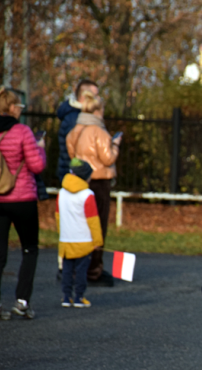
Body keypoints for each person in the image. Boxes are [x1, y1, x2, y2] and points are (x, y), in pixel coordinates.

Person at [0, 87, 47, 320]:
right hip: (22, 197)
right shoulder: (22, 131)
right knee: (30, 249)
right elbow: (37, 166)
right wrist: (41, 149)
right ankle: (22, 301)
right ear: (10, 107)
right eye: (18, 106)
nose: (20, 110)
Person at [66, 90, 120, 287]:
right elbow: (107, 158)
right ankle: (94, 269)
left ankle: (76, 267)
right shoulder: (99, 132)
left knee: (80, 225)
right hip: (99, 181)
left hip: (80, 180)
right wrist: (115, 145)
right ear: (98, 110)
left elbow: (71, 152)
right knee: (98, 226)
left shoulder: (75, 130)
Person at [56, 158, 103, 309]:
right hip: (83, 239)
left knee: (67, 270)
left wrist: (61, 232)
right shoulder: (87, 194)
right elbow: (93, 220)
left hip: (66, 239)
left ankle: (66, 296)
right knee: (81, 270)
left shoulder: (61, 192)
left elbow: (58, 216)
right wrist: (97, 241)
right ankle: (79, 297)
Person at [56, 79, 98, 184]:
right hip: (75, 176)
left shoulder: (76, 116)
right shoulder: (75, 119)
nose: (97, 99)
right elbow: (75, 151)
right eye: (95, 96)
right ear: (84, 96)